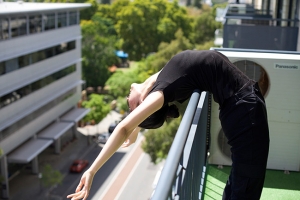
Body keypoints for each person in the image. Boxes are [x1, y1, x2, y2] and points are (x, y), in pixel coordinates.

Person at [67, 50, 269, 200]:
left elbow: (143, 96)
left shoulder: (161, 78)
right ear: (143, 104)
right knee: (246, 186)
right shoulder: (162, 91)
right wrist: (92, 171)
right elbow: (122, 128)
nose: (129, 104)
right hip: (244, 112)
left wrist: (137, 127)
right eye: (133, 109)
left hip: (243, 108)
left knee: (241, 183)